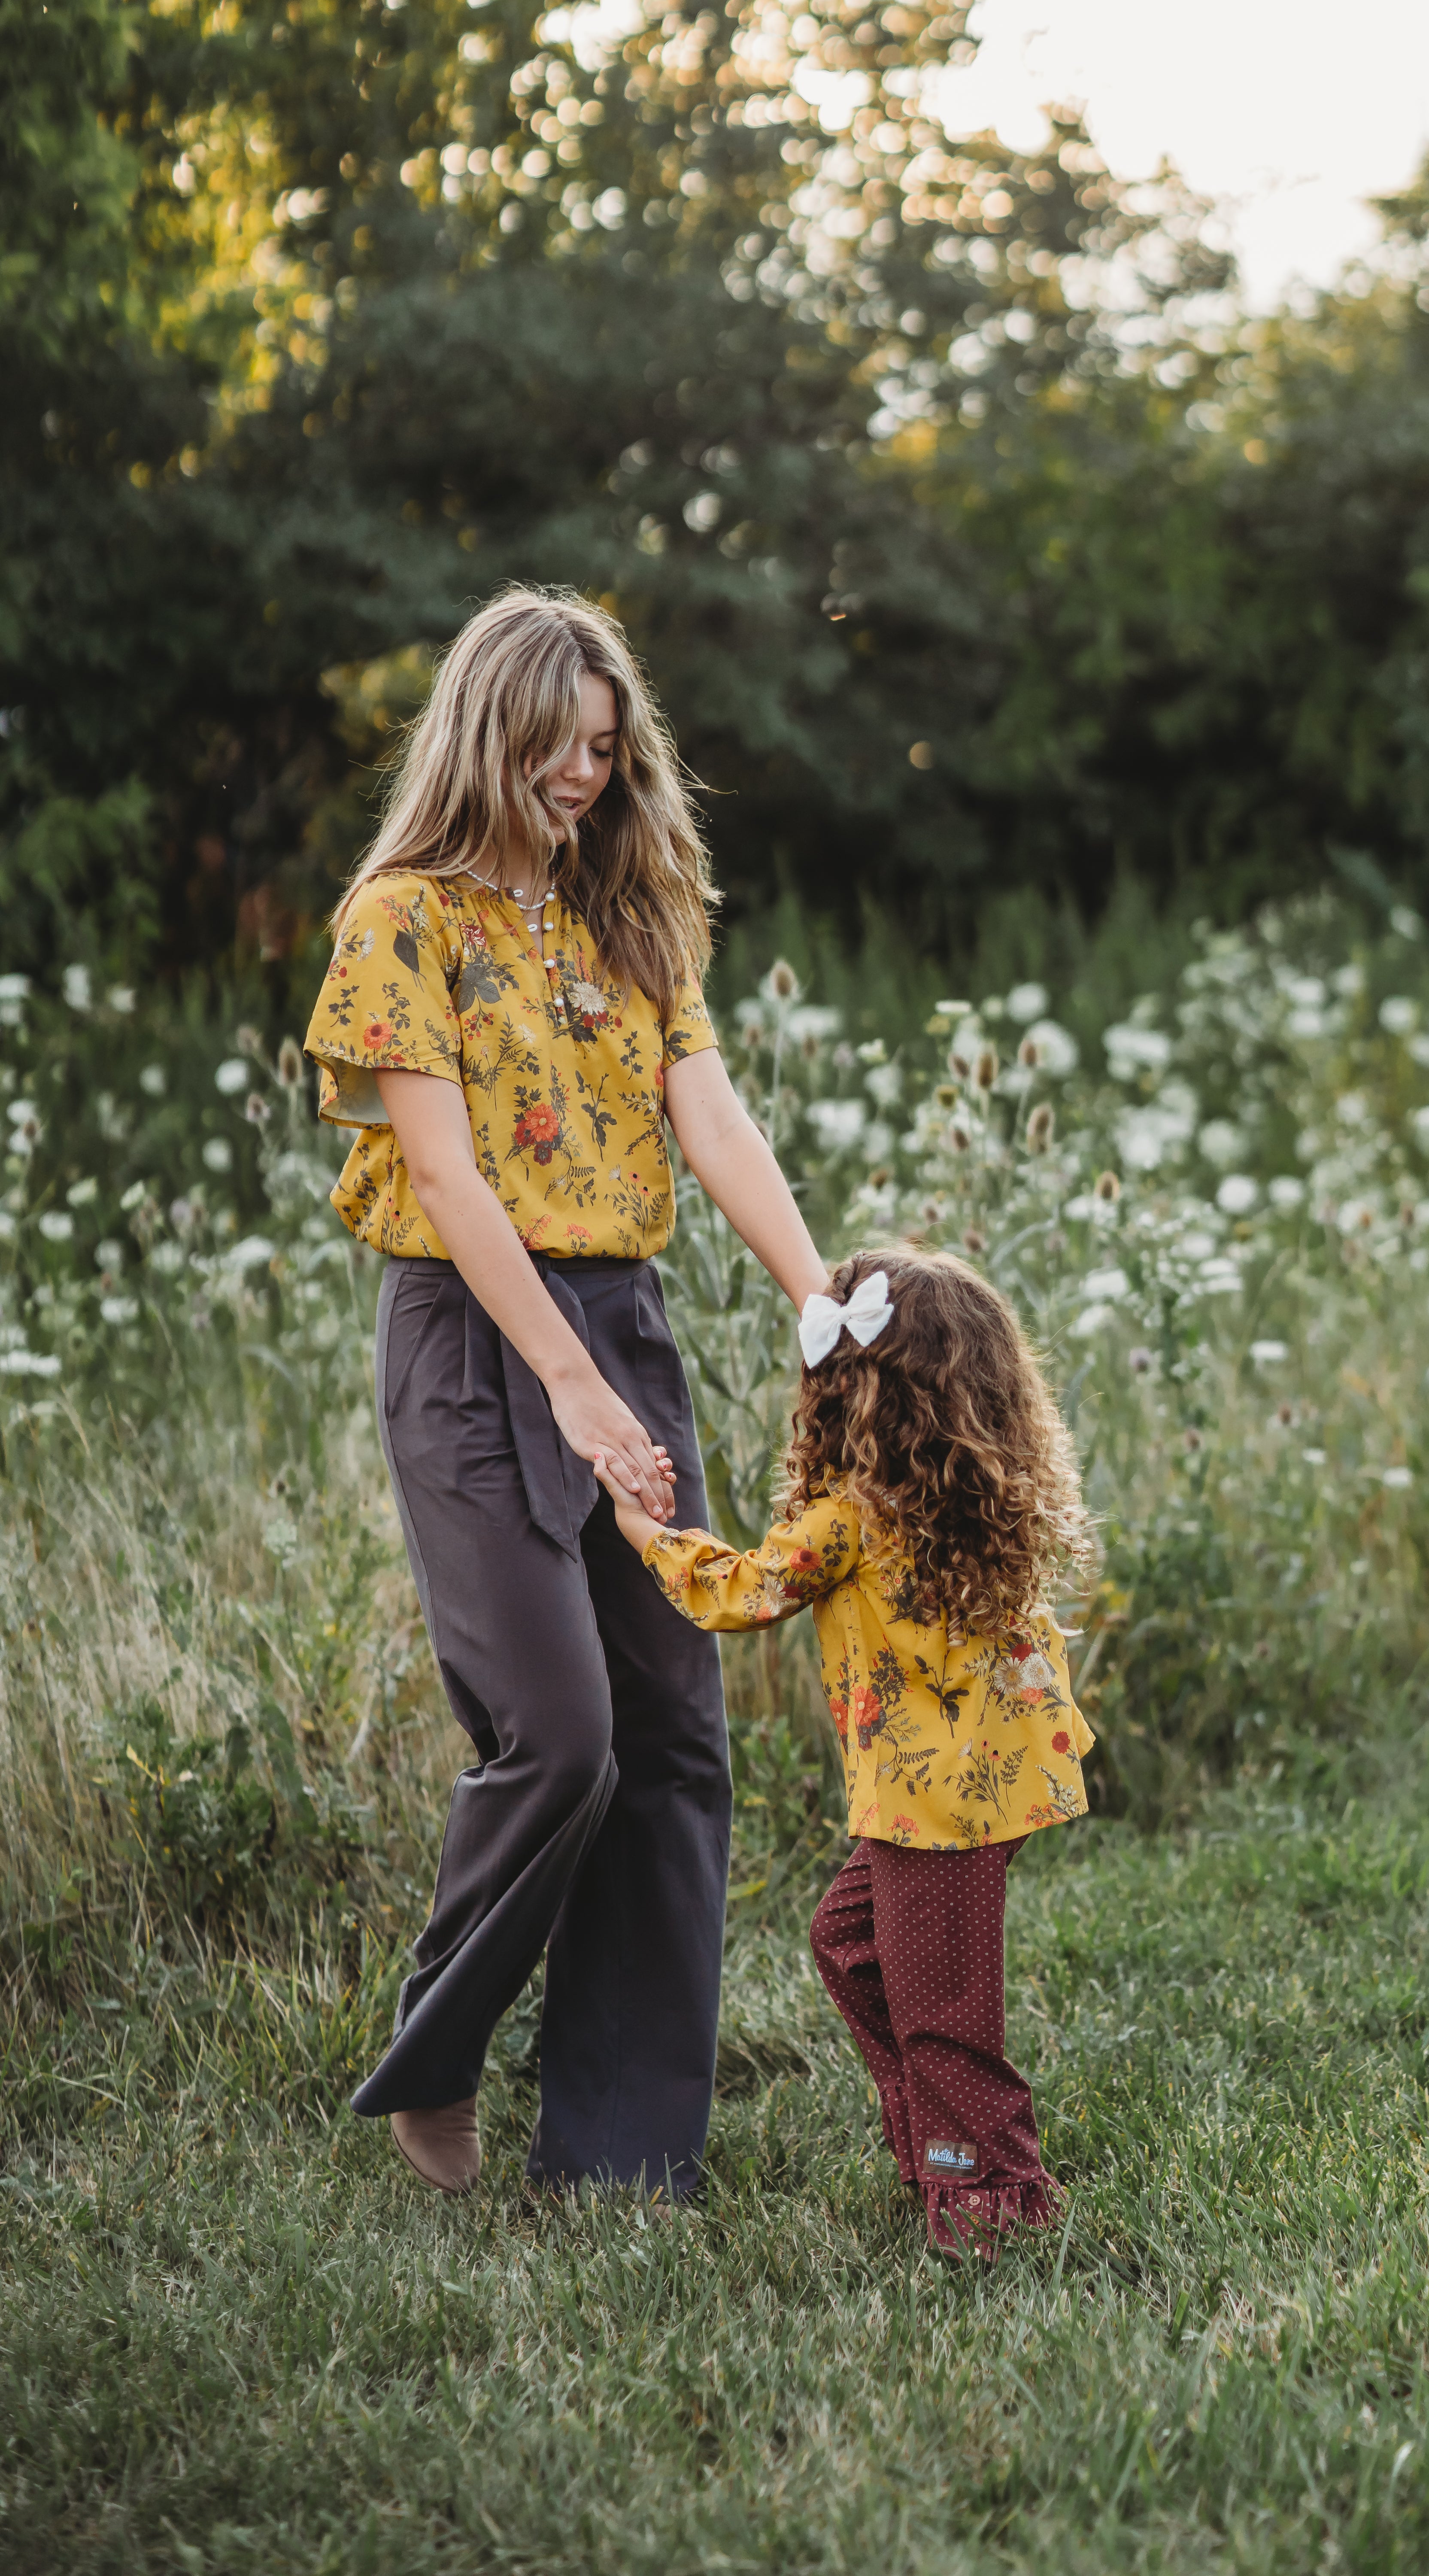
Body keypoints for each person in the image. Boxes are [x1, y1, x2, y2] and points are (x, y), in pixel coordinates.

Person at [302, 584, 825, 2202]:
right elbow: (450, 1186)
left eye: (606, 747)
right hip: (476, 1339)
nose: (585, 776)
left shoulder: (631, 914)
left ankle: (621, 2151)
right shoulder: (403, 918)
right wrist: (575, 1393)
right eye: (556, 746)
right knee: (560, 1736)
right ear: (490, 731)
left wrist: (822, 1302)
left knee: (674, 1732)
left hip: (624, 1318)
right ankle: (437, 2062)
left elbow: (713, 1125)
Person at [592, 1245, 1096, 2257]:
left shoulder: (854, 1520)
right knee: (849, 1944)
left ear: (852, 1393)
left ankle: (993, 2199)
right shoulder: (962, 1494)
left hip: (936, 1805)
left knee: (943, 2009)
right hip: (975, 1786)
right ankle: (931, 2135)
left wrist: (643, 1531)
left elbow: (739, 1592)